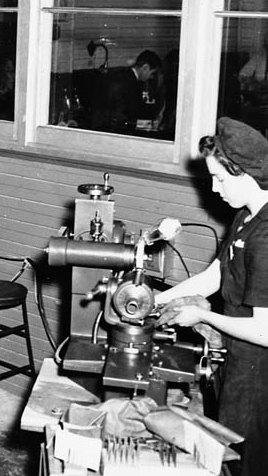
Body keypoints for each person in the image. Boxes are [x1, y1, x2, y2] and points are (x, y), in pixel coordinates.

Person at [156, 117, 268, 476]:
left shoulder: (266, 238)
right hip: (237, 360)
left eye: (220, 179)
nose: (215, 190)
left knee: (246, 460)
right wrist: (154, 300)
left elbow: (266, 331)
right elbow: (214, 276)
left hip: (259, 373)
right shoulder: (245, 217)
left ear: (246, 174)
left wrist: (203, 316)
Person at [90, 49, 162, 133]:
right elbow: (121, 117)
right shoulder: (129, 82)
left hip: (99, 126)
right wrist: (148, 125)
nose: (152, 77)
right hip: (108, 130)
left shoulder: (122, 75)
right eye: (152, 73)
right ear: (145, 67)